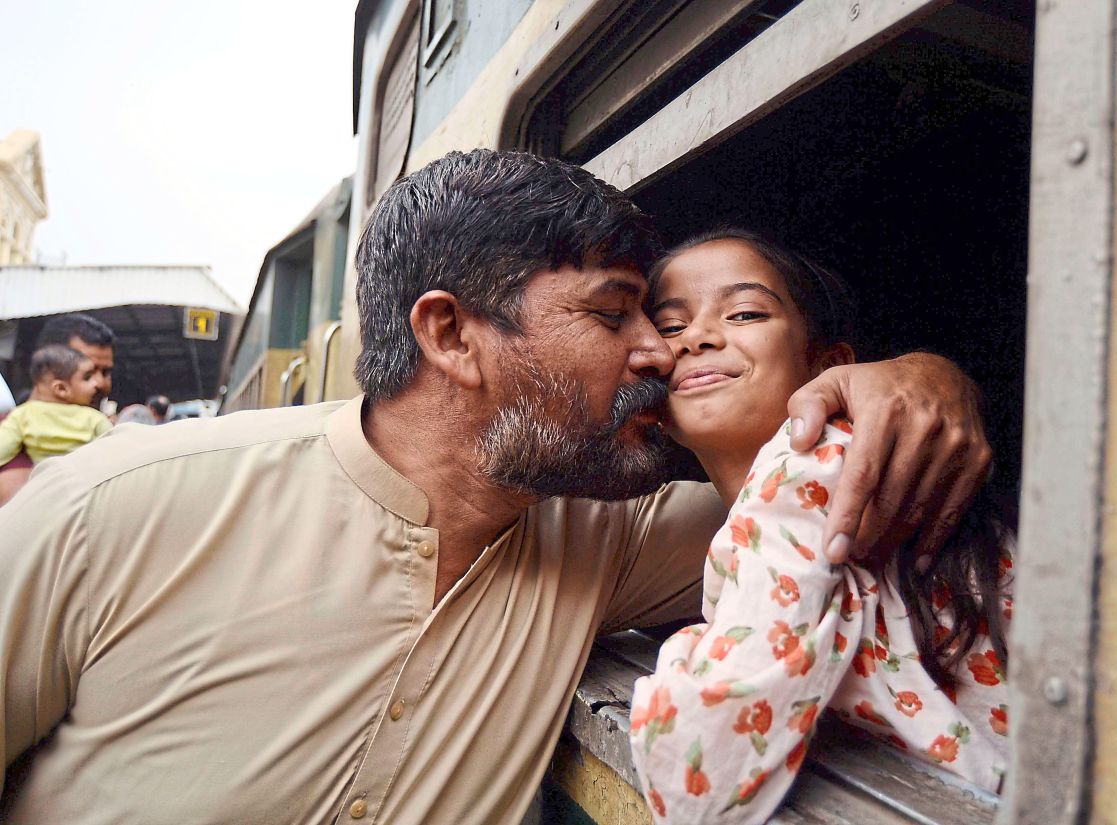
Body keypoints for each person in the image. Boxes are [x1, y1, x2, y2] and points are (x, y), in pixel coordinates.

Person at [0, 151, 991, 824]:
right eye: (615, 314)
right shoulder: (111, 509)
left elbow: (812, 508)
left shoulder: (615, 539)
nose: (661, 352)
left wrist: (920, 379)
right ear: (451, 335)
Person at [629, 230, 1012, 823]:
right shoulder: (763, 498)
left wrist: (689, 646)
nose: (697, 337)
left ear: (829, 367)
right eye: (671, 326)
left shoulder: (809, 459)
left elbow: (699, 780)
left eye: (745, 313)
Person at [0, 313, 116, 506]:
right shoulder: (12, 431)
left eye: (106, 372)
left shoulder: (95, 422)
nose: (99, 383)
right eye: (88, 374)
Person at [0, 345, 111, 472]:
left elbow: (2, 448)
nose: (96, 384)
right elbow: (115, 451)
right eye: (87, 378)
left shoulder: (22, 415)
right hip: (86, 477)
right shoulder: (94, 418)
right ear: (61, 389)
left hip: (43, 478)